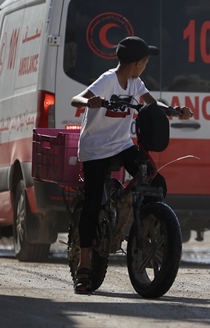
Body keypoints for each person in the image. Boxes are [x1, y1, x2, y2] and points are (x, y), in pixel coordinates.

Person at [70, 36, 193, 294]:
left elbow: (151, 103)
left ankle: (141, 227)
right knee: (92, 203)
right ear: (139, 62)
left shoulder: (135, 83)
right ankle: (83, 268)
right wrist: (90, 102)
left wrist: (172, 110)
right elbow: (76, 99)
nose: (146, 65)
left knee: (155, 181)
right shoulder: (107, 81)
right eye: (146, 62)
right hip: (95, 149)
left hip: (121, 144)